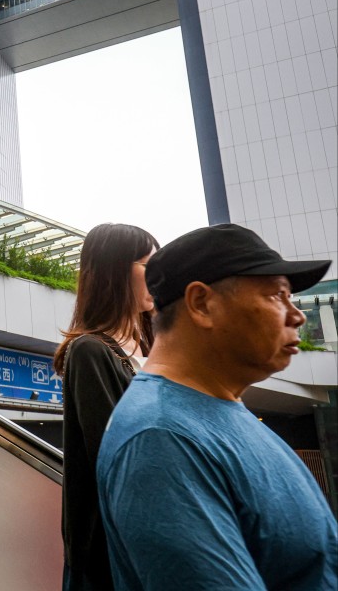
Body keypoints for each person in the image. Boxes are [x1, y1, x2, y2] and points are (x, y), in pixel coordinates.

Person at [96, 224, 336, 591]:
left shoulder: (220, 411)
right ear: (202, 304)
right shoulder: (161, 439)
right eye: (277, 296)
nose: (297, 315)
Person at [51, 223, 159, 591]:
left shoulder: (156, 347)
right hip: (108, 552)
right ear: (115, 270)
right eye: (148, 263)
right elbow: (114, 457)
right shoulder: (91, 351)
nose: (160, 273)